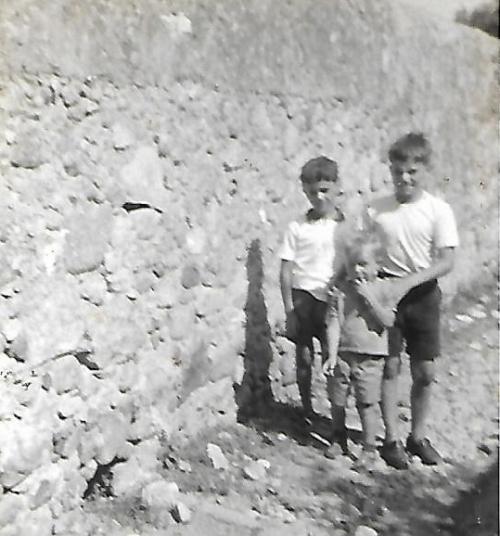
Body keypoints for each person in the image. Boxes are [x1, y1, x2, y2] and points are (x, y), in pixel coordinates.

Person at [364, 132, 459, 469]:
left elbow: (447, 261)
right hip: (388, 293)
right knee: (389, 365)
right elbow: (365, 251)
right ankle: (391, 440)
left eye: (412, 172)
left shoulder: (438, 210)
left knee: (425, 371)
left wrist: (409, 282)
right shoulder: (376, 209)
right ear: (390, 170)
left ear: (425, 170)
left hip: (423, 294)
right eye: (397, 171)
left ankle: (417, 437)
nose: (404, 178)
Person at [322, 229, 399, 469]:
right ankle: (338, 437)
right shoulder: (341, 291)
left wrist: (369, 298)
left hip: (371, 356)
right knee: (337, 399)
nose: (357, 270)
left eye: (363, 264)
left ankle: (369, 448)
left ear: (378, 264)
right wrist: (331, 354)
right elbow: (334, 322)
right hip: (343, 353)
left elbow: (388, 321)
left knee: (367, 403)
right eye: (353, 264)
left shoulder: (385, 289)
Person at [279, 156, 344, 426]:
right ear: (305, 191)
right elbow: (285, 270)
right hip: (303, 297)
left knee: (333, 358)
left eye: (324, 190)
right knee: (304, 357)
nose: (319, 197)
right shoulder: (297, 227)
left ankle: (336, 419)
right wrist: (289, 310)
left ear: (337, 187)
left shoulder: (344, 226)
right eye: (312, 192)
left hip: (331, 298)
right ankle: (307, 411)